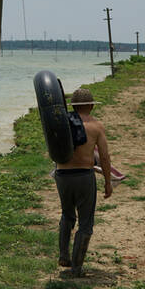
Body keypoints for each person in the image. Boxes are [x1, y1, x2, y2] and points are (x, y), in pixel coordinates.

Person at [55, 88, 112, 277]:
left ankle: (64, 255)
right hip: (83, 176)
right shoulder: (96, 127)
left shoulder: (62, 123)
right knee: (85, 223)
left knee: (67, 215)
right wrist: (108, 182)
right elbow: (104, 157)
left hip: (62, 175)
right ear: (91, 105)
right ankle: (77, 267)